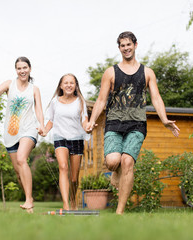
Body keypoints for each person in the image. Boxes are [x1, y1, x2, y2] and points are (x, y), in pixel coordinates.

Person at [86, 31, 180, 215]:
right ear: (119, 48)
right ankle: (115, 171)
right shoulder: (110, 72)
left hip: (137, 124)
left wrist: (164, 119)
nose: (126, 48)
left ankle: (120, 212)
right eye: (122, 45)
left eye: (129, 44)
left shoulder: (147, 73)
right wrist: (91, 121)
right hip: (114, 122)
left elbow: (156, 98)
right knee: (113, 161)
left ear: (135, 45)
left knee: (127, 161)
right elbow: (100, 100)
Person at [0, 56, 45, 213]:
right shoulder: (9, 84)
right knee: (19, 174)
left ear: (30, 69)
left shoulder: (34, 89)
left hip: (29, 129)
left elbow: (39, 110)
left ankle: (28, 200)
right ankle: (30, 198)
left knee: (22, 159)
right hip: (11, 132)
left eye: (24, 68)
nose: (22, 71)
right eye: (19, 68)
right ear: (16, 70)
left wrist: (41, 125)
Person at [41, 73, 89, 210]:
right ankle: (66, 204)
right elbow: (51, 120)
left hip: (76, 138)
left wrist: (88, 127)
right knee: (63, 167)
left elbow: (84, 120)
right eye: (66, 83)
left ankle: (73, 200)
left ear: (75, 86)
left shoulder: (80, 101)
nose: (69, 85)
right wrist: (45, 130)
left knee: (74, 178)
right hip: (60, 137)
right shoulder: (55, 102)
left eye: (71, 83)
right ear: (61, 86)